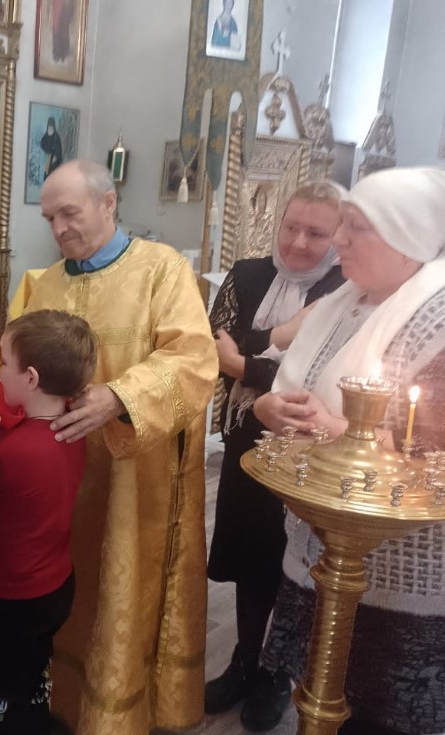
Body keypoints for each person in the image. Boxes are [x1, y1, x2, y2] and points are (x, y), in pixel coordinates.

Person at [24, 159, 218, 733]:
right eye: (49, 218)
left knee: (121, 581)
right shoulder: (45, 283)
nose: (59, 228)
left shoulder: (161, 270)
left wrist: (119, 397)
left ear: (108, 203)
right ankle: (63, 701)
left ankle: (118, 712)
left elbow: (193, 359)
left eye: (70, 213)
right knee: (63, 588)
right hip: (62, 474)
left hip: (134, 474)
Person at [252, 167, 445, 735]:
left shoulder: (436, 321)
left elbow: (434, 448)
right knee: (319, 693)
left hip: (396, 565)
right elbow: (293, 387)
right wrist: (271, 408)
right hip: (323, 542)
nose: (339, 241)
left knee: (375, 712)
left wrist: (340, 430)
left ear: (406, 237)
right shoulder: (344, 302)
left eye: (355, 228)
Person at [204, 182, 346, 730]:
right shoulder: (247, 274)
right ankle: (245, 658)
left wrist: (244, 362)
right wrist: (280, 335)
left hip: (308, 448)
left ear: (338, 236)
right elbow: (211, 346)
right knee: (249, 554)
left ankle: (277, 675)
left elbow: (314, 377)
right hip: (247, 437)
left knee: (293, 563)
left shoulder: (345, 286)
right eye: (292, 227)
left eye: (317, 233)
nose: (300, 243)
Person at [0, 309, 97, 735]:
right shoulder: (74, 427)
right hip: (56, 583)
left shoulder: (6, 450)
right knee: (33, 666)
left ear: (30, 378)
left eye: (5, 363)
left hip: (7, 596)